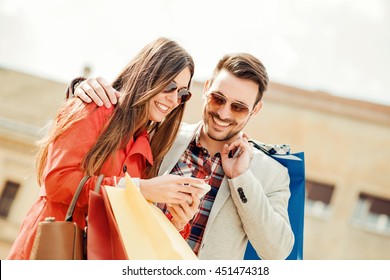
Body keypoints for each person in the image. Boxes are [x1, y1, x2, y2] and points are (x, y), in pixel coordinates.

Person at [67, 53, 295, 260]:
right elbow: (116, 120)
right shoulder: (160, 135)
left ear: (255, 110)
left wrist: (241, 177)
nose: (223, 113)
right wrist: (81, 88)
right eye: (218, 98)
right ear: (206, 89)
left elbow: (276, 251)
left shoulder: (271, 174)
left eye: (238, 108)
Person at [7, 37, 205, 260]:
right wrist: (138, 188)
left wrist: (178, 222)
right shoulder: (95, 107)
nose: (173, 99)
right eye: (169, 86)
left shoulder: (145, 149)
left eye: (182, 94)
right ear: (145, 76)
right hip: (51, 251)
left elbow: (130, 227)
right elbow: (57, 181)